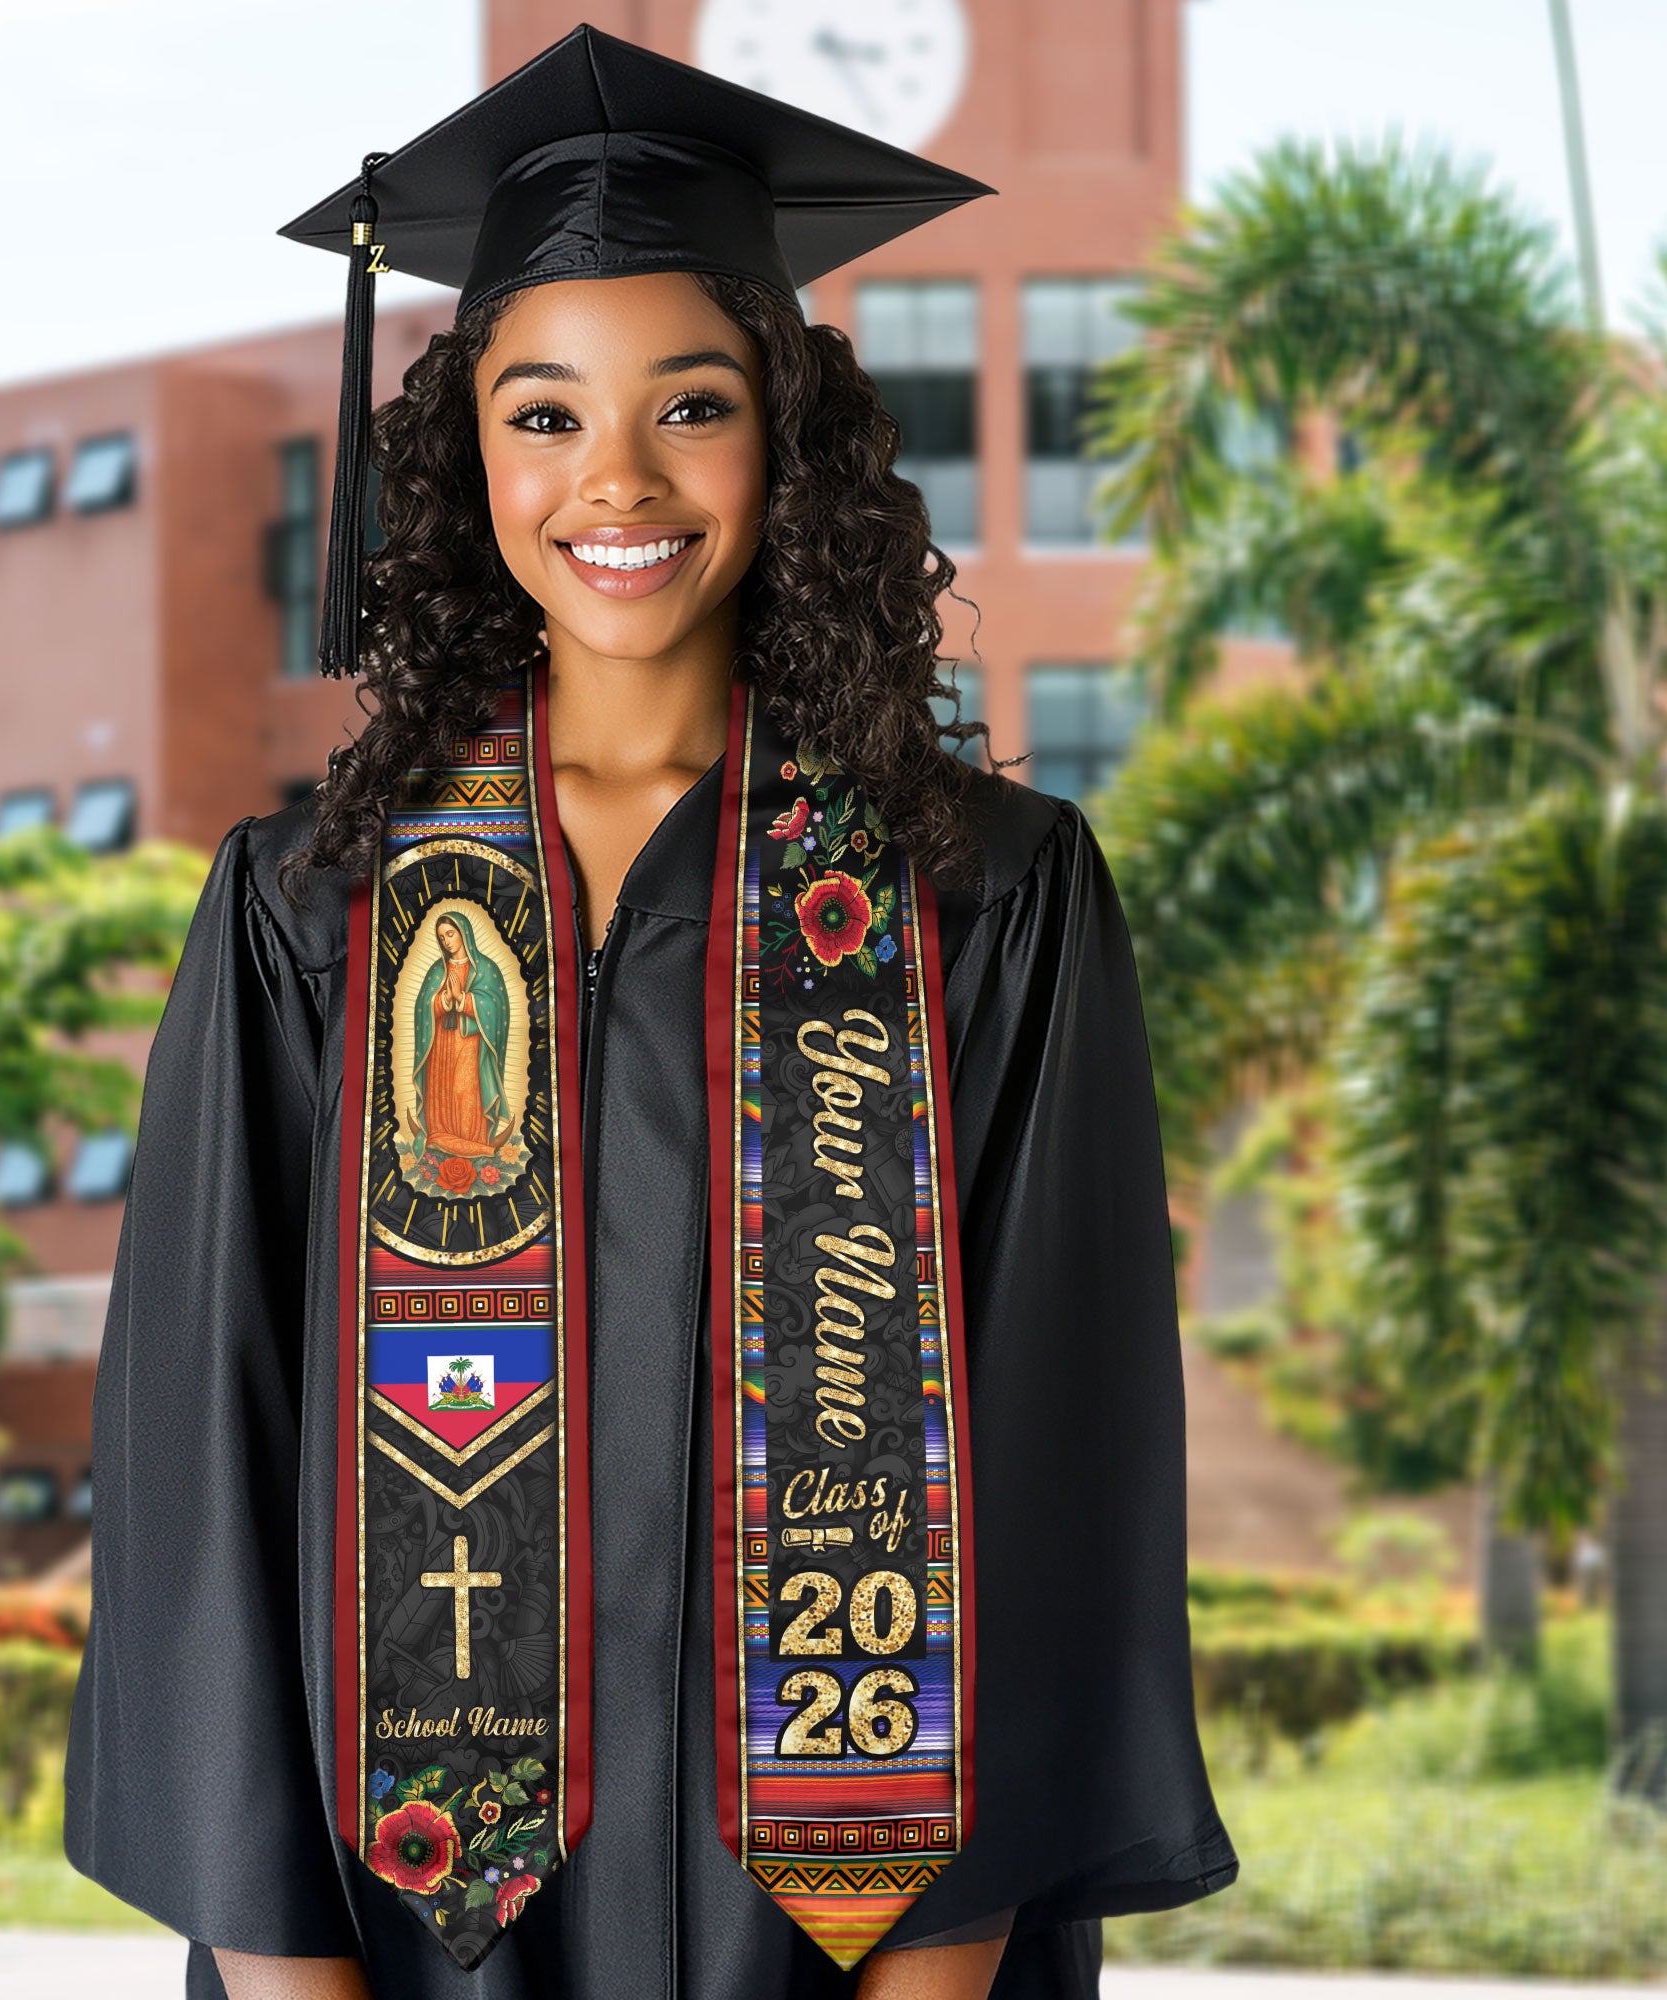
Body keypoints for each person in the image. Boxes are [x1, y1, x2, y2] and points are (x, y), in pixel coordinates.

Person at [63, 26, 1239, 2000]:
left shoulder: (984, 896)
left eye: (688, 404)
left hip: (854, 1936)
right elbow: (202, 1473)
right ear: (463, 461)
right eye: (542, 416)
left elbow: (1058, 1483)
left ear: (786, 431)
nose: (615, 479)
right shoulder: (311, 914)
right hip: (401, 1935)